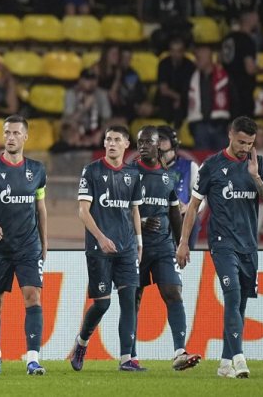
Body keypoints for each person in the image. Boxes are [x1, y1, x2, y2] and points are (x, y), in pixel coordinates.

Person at [177, 116, 263, 378]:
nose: (245, 148)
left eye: (250, 143)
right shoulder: (212, 165)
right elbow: (193, 207)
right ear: (230, 135)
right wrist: (184, 243)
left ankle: (224, 364)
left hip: (249, 245)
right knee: (232, 295)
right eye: (241, 142)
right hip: (222, 243)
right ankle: (239, 358)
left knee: (240, 304)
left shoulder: (258, 164)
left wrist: (255, 177)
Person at [0, 115, 48, 376]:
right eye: (7, 133)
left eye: (16, 133)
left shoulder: (37, 170)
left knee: (33, 296)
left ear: (25, 137)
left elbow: (41, 208)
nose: (11, 137)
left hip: (29, 246)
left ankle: (33, 360)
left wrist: (44, 243)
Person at [70, 125, 143, 372]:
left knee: (129, 300)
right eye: (108, 139)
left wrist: (139, 242)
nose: (111, 143)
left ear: (126, 144)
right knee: (102, 304)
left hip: (127, 247)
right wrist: (101, 238)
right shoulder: (91, 171)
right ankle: (82, 342)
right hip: (98, 248)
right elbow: (83, 211)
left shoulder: (133, 174)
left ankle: (126, 359)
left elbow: (134, 209)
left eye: (117, 140)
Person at [129, 126, 202, 371]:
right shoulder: (129, 173)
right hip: (135, 247)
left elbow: (173, 212)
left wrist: (182, 243)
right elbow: (118, 209)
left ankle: (180, 352)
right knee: (133, 299)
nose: (143, 146)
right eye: (139, 142)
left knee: (173, 293)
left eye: (148, 142)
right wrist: (141, 222)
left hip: (163, 246)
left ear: (157, 145)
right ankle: (129, 356)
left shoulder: (167, 177)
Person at [156, 125, 201, 250]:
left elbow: (201, 198)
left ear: (173, 143)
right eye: (155, 140)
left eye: (162, 139)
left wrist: (188, 207)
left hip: (182, 219)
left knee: (191, 217)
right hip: (156, 220)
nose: (158, 143)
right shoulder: (146, 169)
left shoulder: (190, 167)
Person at [220, 10, 263, 119]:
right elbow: (250, 69)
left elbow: (220, 60)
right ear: (250, 20)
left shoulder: (227, 38)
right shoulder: (246, 40)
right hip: (242, 93)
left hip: (227, 91)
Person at [187, 45, 231, 151]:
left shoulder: (223, 76)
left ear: (208, 58)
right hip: (200, 126)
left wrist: (232, 123)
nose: (196, 61)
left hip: (220, 125)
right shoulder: (191, 77)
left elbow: (233, 100)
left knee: (223, 160)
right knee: (203, 160)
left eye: (199, 58)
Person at [64, 69, 112, 146]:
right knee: (68, 128)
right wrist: (85, 107)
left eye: (93, 79)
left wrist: (100, 132)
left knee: (117, 124)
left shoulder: (101, 94)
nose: (91, 82)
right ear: (80, 81)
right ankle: (78, 145)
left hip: (96, 129)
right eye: (87, 79)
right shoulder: (71, 93)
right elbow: (70, 120)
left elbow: (107, 118)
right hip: (78, 129)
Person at [157, 36, 195, 127]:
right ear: (169, 51)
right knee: (165, 102)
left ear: (183, 52)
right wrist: (177, 97)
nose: (175, 54)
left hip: (185, 99)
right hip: (168, 99)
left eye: (179, 51)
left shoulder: (190, 66)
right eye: (173, 51)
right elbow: (163, 89)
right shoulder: (163, 64)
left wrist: (181, 99)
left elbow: (190, 88)